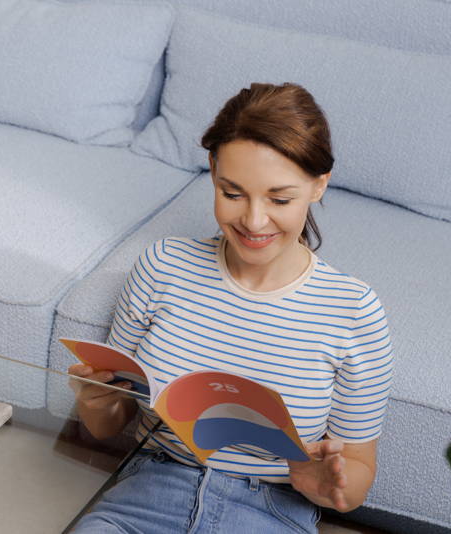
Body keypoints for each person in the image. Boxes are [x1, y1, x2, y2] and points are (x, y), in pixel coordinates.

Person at [68, 82, 394, 534]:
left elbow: (356, 471)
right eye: (232, 192)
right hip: (148, 491)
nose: (254, 221)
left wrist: (328, 484)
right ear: (213, 171)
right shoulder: (162, 266)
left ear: (319, 186)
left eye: (279, 199)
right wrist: (97, 403)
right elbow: (109, 424)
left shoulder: (355, 312)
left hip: (272, 509)